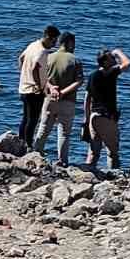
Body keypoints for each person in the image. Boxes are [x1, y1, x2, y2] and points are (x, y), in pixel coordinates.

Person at [33, 32, 84, 166]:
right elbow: (79, 81)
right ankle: (62, 161)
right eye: (74, 43)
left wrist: (52, 88)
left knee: (43, 128)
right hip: (68, 101)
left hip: (50, 99)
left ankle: (35, 155)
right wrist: (63, 92)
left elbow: (41, 76)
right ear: (69, 43)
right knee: (64, 133)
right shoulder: (74, 60)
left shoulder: (49, 57)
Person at [85, 47, 130, 171]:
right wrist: (118, 52)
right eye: (112, 58)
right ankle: (114, 176)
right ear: (105, 62)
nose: (114, 59)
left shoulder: (93, 76)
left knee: (93, 152)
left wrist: (86, 119)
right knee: (113, 152)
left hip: (93, 117)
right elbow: (127, 64)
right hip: (106, 118)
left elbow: (87, 99)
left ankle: (88, 174)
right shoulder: (110, 73)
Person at [16, 25, 60, 143]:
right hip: (34, 91)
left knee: (25, 118)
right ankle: (28, 144)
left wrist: (23, 74)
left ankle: (21, 141)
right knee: (33, 120)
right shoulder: (41, 52)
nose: (54, 44)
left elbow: (21, 58)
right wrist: (40, 86)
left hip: (24, 87)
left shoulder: (33, 45)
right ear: (47, 37)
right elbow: (35, 68)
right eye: (53, 40)